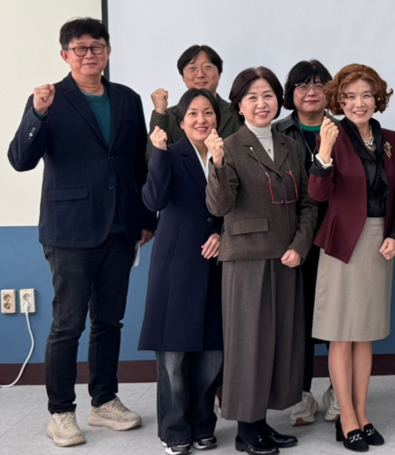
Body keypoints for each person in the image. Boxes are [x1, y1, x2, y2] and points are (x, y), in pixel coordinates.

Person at [8, 17, 156, 447]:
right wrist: (36, 113)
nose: (89, 54)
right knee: (67, 324)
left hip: (120, 227)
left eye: (97, 46)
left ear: (108, 51)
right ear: (64, 55)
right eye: (80, 48)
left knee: (109, 321)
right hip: (70, 230)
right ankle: (60, 411)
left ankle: (104, 401)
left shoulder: (127, 99)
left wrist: (147, 218)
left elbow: (138, 163)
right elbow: (20, 158)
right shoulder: (49, 99)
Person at [205, 66, 318, 455]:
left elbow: (307, 202)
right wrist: (216, 164)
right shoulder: (229, 146)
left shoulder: (291, 145)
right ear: (239, 104)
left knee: (279, 343)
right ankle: (245, 429)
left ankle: (262, 423)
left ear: (278, 100)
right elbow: (220, 205)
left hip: (286, 256)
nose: (261, 103)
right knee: (248, 344)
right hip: (247, 257)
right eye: (252, 96)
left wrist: (301, 245)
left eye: (267, 95)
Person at [308, 63, 395, 452]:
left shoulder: (388, 138)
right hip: (342, 244)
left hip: (379, 242)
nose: (358, 103)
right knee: (341, 334)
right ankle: (345, 417)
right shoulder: (331, 133)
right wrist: (324, 151)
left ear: (377, 97)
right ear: (339, 100)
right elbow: (318, 194)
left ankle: (363, 414)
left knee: (365, 334)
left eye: (366, 95)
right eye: (349, 97)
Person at [139, 88, 225, 455]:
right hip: (175, 266)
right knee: (173, 356)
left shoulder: (227, 154)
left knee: (212, 353)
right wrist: (157, 154)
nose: (201, 119)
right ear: (180, 120)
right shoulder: (170, 154)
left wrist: (222, 234)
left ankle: (203, 424)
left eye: (208, 112)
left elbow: (235, 205)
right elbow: (153, 200)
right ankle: (175, 430)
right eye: (193, 114)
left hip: (217, 265)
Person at [274, 60, 341, 426]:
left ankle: (337, 391)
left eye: (319, 84)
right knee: (297, 319)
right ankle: (301, 396)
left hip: (336, 236)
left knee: (336, 318)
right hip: (293, 238)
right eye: (302, 85)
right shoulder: (278, 131)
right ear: (291, 93)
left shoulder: (344, 129)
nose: (311, 91)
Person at [147, 45, 239, 158]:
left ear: (219, 73)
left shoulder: (237, 112)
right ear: (183, 77)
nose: (200, 74)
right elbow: (153, 160)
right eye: (192, 68)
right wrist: (160, 113)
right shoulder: (169, 116)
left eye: (207, 67)